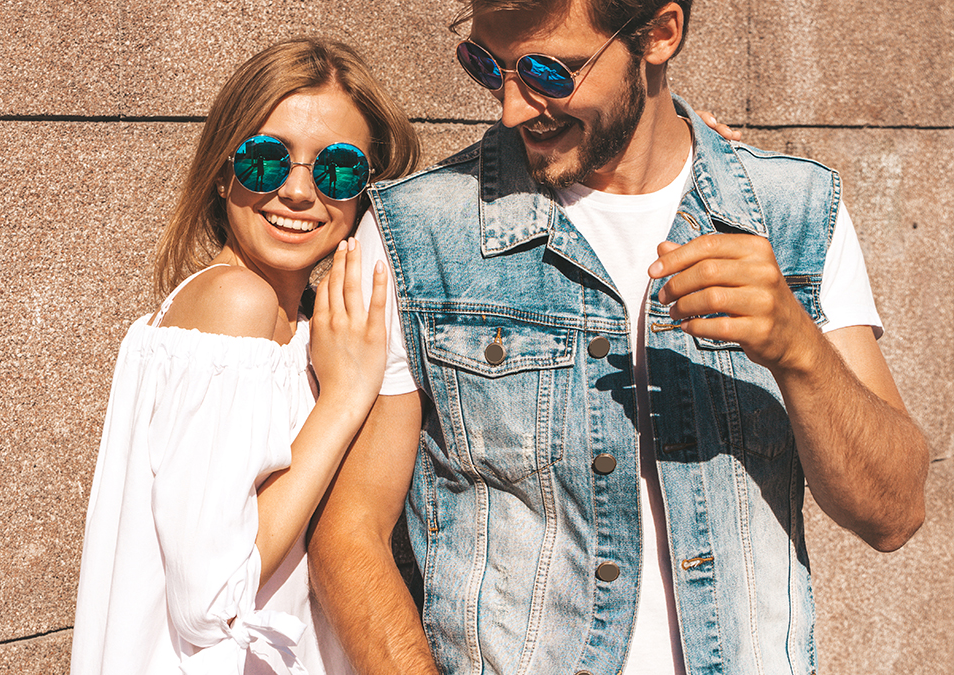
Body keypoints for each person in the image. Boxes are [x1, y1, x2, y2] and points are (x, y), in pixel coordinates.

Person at [308, 1, 930, 674]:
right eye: (487, 66)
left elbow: (892, 512)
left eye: (549, 70)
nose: (513, 108)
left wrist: (799, 349)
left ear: (659, 35)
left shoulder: (795, 212)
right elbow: (349, 534)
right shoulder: (417, 234)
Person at [69, 38, 420, 675]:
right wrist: (343, 398)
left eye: (338, 169)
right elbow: (212, 599)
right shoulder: (235, 305)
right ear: (224, 168)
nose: (297, 191)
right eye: (266, 159)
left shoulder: (303, 328)